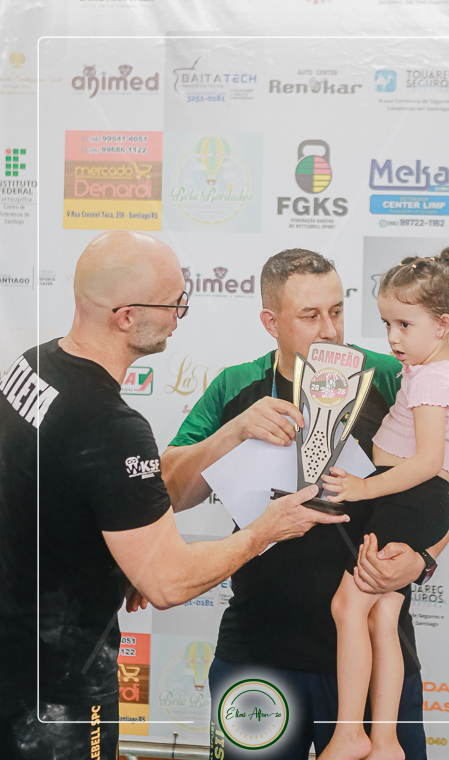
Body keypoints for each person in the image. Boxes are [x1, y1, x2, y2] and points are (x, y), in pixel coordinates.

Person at [0, 232, 344, 760]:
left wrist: (126, 559)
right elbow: (168, 582)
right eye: (173, 304)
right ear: (126, 316)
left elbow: (54, 498)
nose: (180, 317)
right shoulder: (111, 425)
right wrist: (266, 529)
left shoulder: (35, 365)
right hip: (59, 688)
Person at [162, 249, 449, 760]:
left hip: (371, 651)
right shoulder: (237, 385)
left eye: (337, 311)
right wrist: (235, 432)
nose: (330, 331)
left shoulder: (393, 375)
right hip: (259, 653)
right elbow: (170, 489)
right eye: (310, 316)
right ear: (271, 323)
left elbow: (445, 483)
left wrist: (421, 560)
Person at [318, 247, 449, 760]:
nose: (392, 338)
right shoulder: (429, 372)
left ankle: (350, 734)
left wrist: (363, 488)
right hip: (412, 501)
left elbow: (428, 461)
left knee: (348, 606)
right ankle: (384, 740)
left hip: (408, 500)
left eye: (405, 325)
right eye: (387, 323)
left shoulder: (432, 379)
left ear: (443, 325)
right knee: (382, 615)